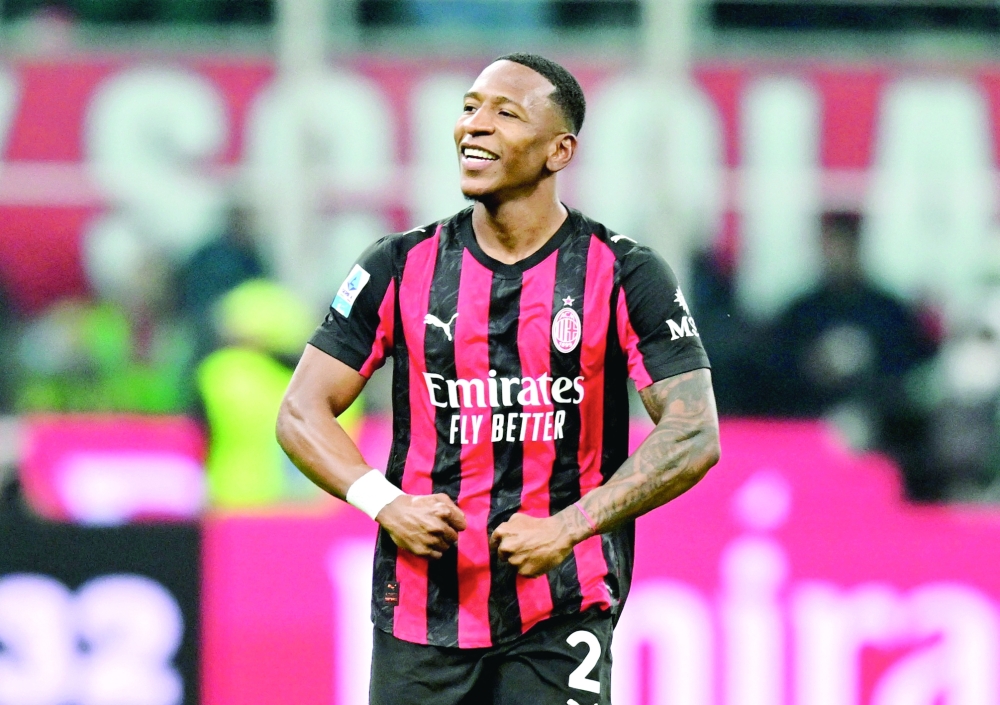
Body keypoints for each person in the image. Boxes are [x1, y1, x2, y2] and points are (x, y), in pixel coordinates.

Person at [276, 53, 720, 705]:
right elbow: (301, 411)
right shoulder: (398, 266)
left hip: (562, 607)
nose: (474, 126)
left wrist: (566, 526)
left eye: (504, 113)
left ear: (558, 151)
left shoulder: (623, 272)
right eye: (469, 108)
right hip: (421, 616)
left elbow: (693, 432)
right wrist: (386, 502)